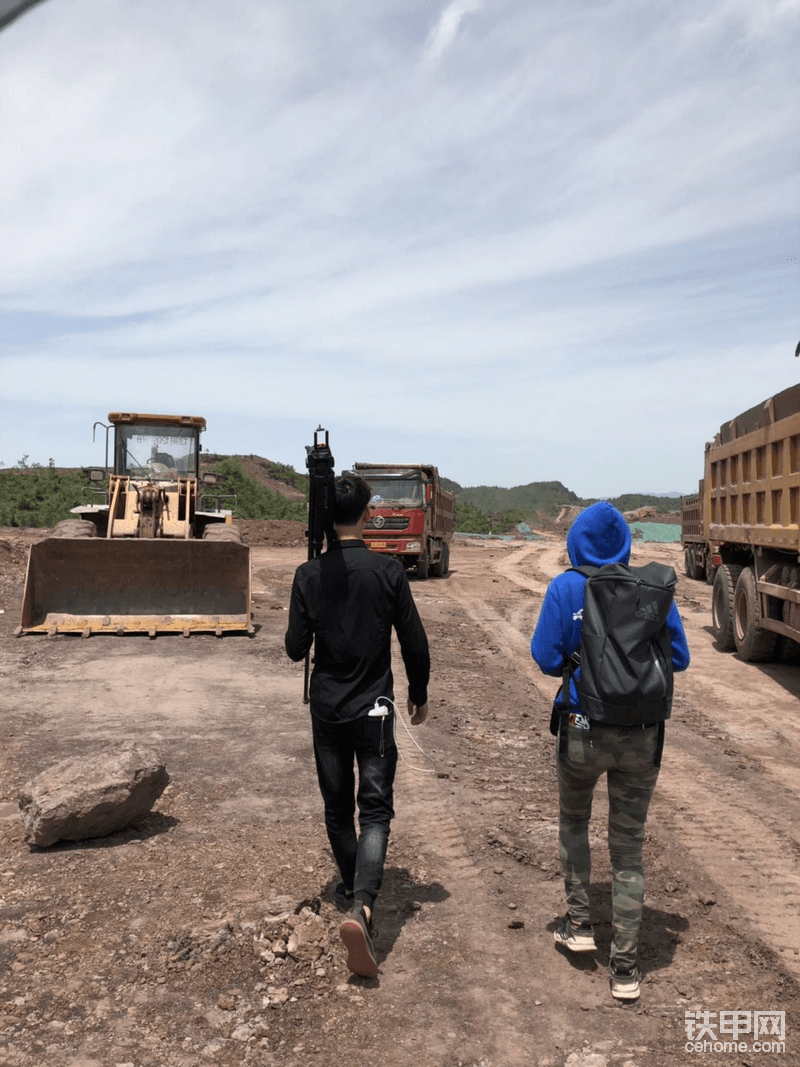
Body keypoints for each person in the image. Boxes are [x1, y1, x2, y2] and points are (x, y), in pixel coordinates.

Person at [530, 501, 690, 1001]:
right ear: (625, 543)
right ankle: (625, 970)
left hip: (582, 729)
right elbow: (679, 658)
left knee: (574, 823)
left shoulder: (565, 587)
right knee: (628, 848)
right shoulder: (652, 590)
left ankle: (579, 925)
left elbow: (544, 657)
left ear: (576, 542)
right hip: (641, 735)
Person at [285, 473, 430, 978]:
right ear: (367, 515)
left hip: (326, 708)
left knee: (335, 807)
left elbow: (294, 648)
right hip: (375, 709)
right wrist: (420, 693)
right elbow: (414, 641)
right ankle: (363, 904)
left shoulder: (308, 575)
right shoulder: (389, 571)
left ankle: (352, 889)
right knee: (375, 810)